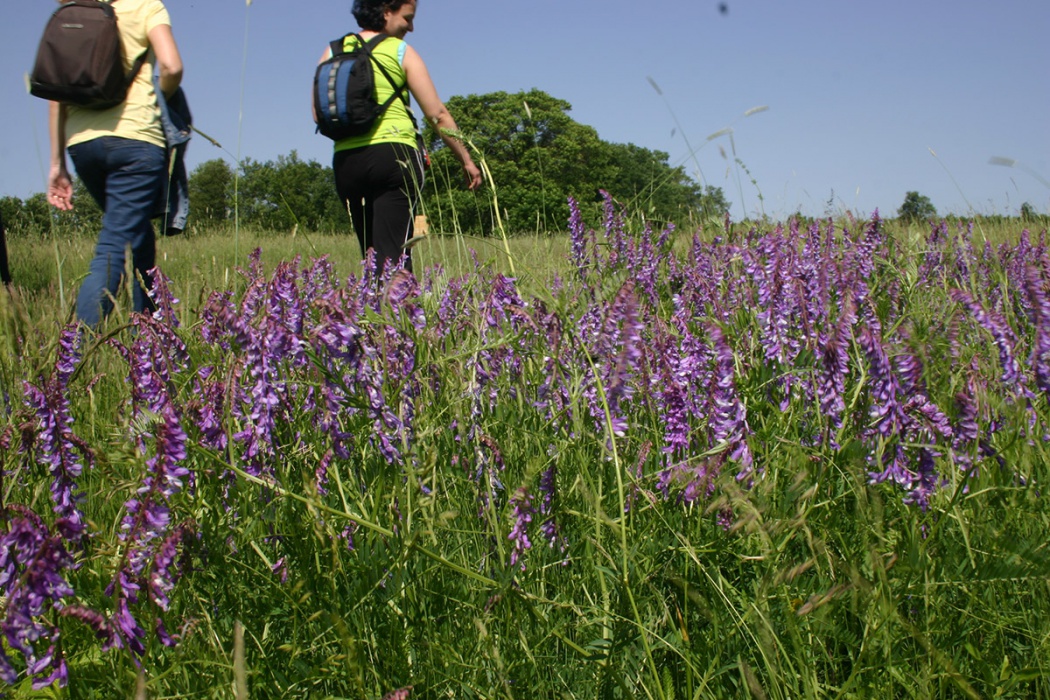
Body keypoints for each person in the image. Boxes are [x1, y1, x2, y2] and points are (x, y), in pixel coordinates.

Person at [317, 0, 482, 276]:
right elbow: (438, 114)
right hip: (394, 158)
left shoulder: (333, 50)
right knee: (395, 257)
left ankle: (373, 313)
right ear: (386, 12)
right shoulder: (399, 50)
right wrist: (466, 158)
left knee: (370, 257)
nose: (411, 27)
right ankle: (399, 316)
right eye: (407, 18)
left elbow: (317, 111)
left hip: (347, 163)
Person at [47, 0, 183, 329]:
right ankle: (74, 360)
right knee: (113, 247)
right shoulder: (145, 5)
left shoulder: (72, 11)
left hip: (82, 145)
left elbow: (56, 94)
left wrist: (57, 164)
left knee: (139, 237)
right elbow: (171, 67)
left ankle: (149, 333)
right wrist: (159, 100)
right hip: (136, 141)